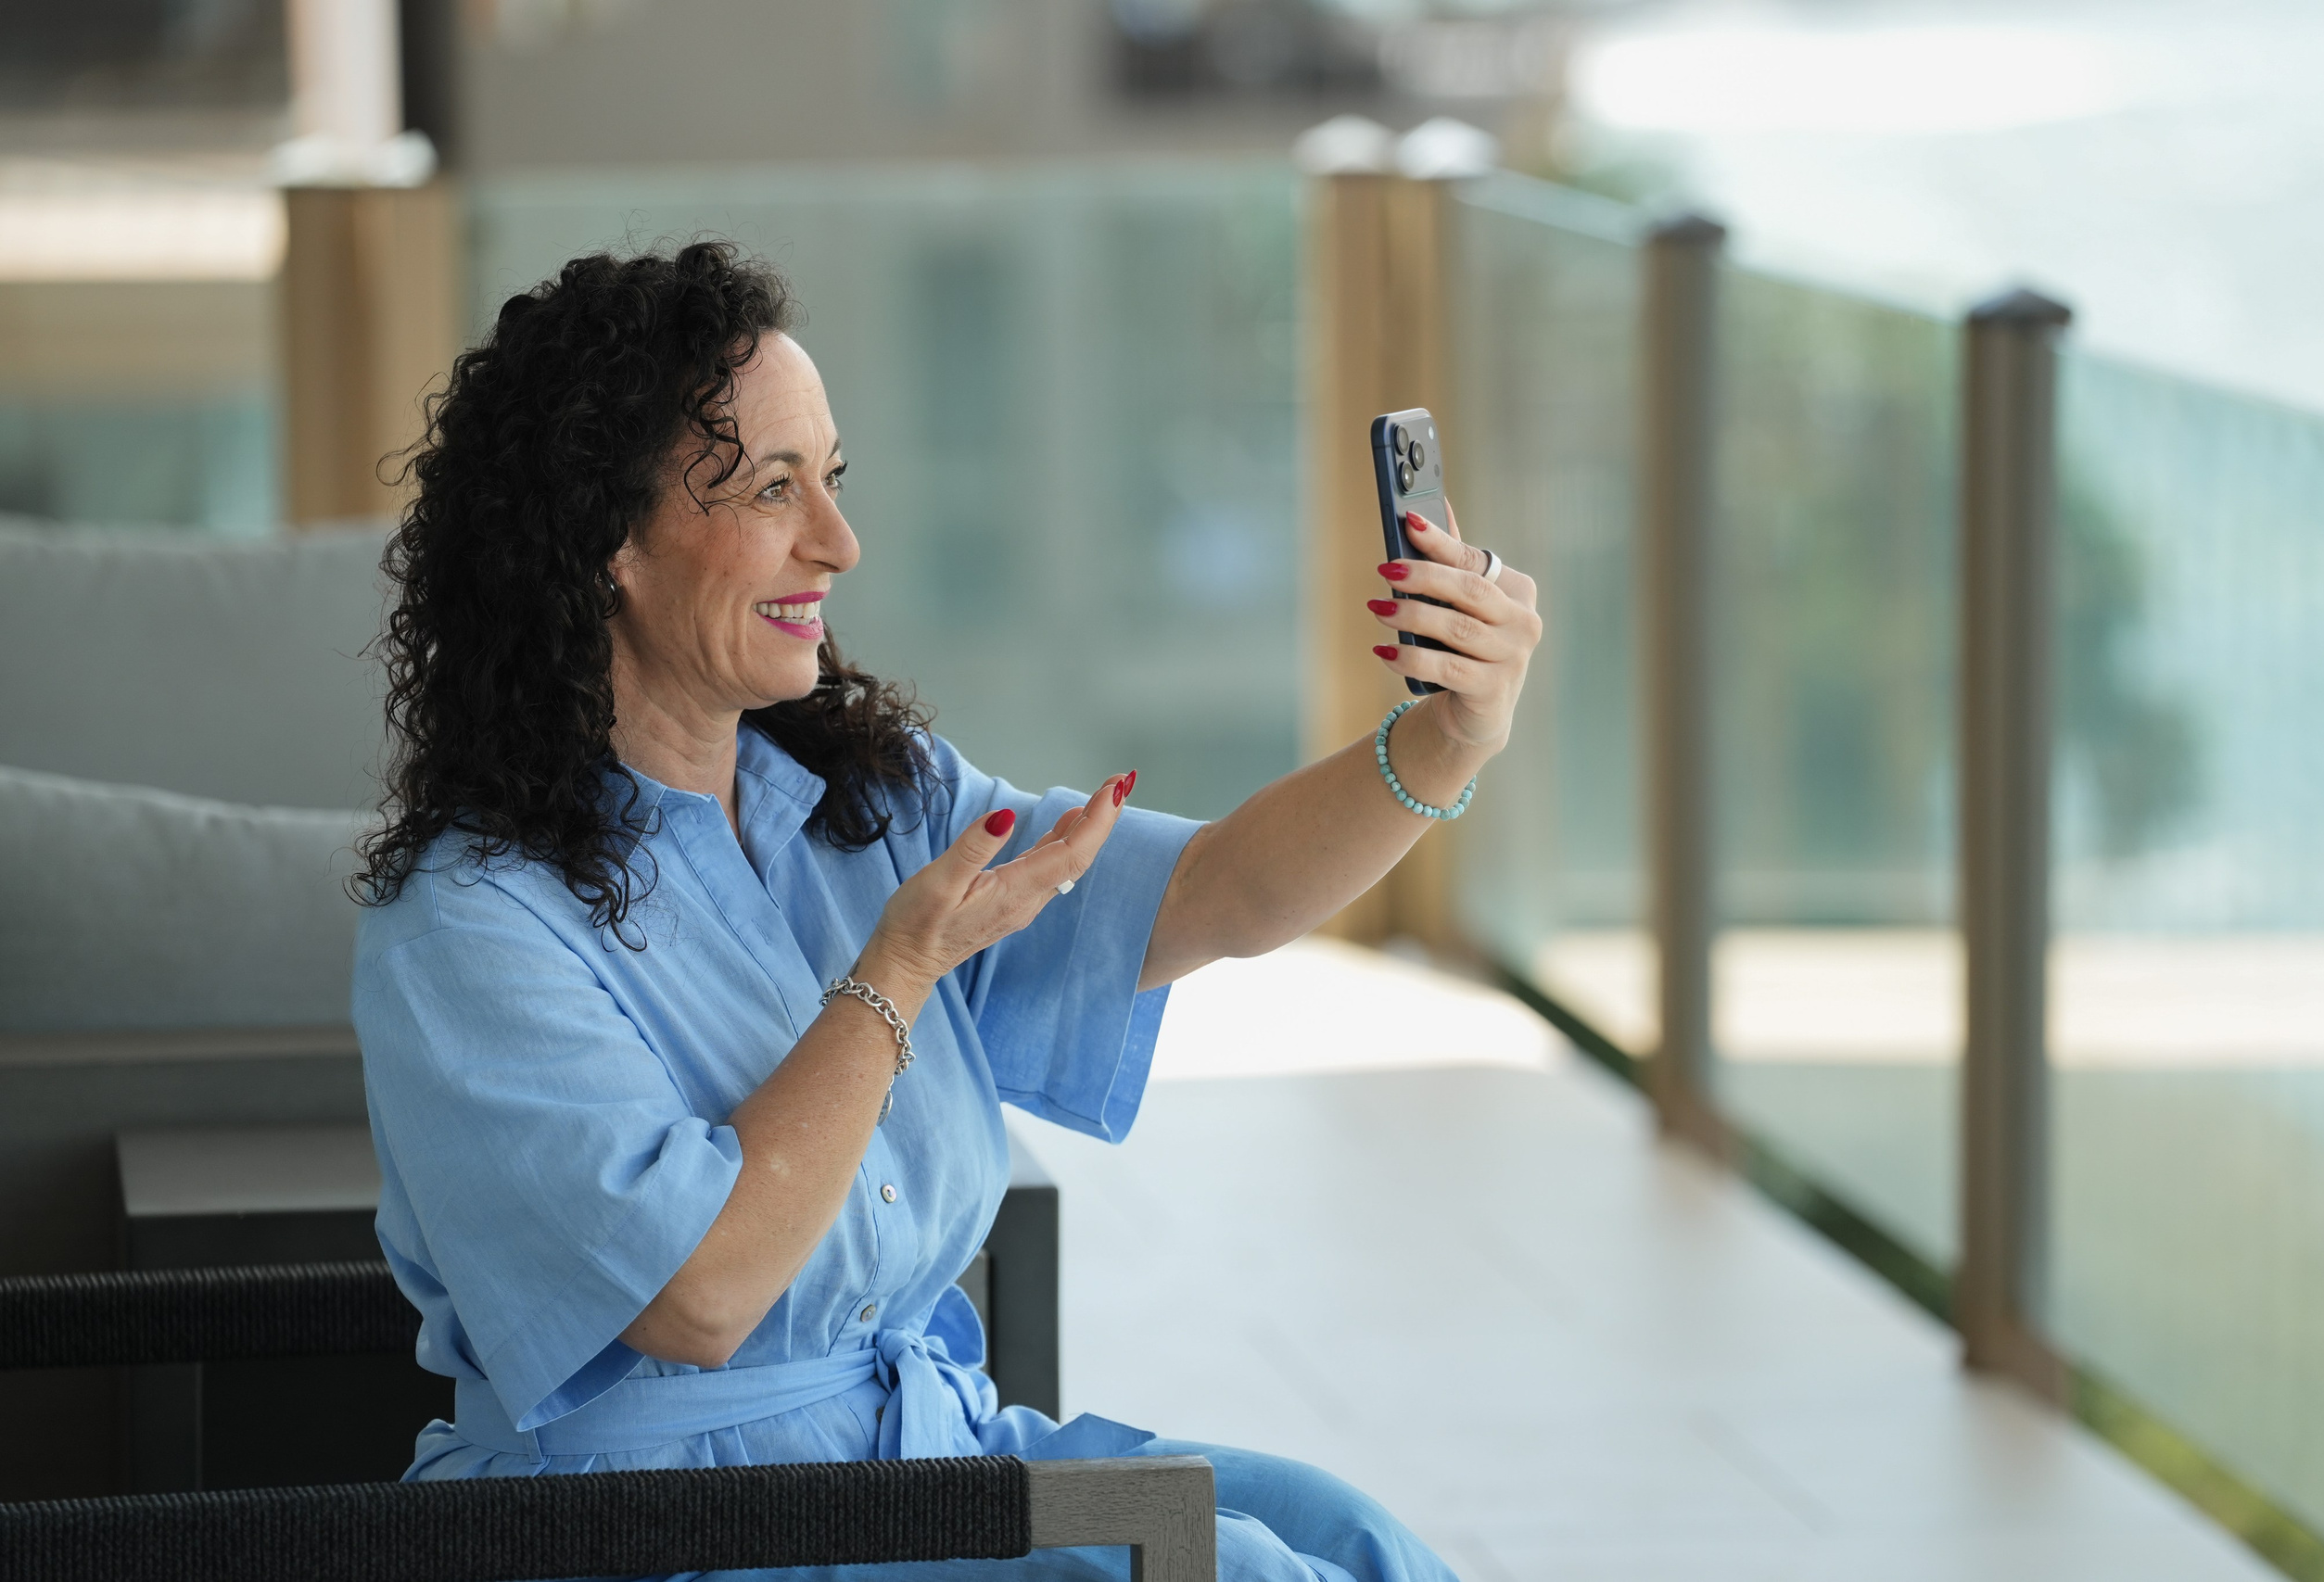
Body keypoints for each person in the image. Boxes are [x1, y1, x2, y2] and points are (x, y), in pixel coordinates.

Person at [350, 241, 1542, 1582]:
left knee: (1352, 1538)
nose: (838, 542)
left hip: (913, 1460)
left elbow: (1218, 892)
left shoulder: (865, 801)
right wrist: (899, 972)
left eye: (833, 480)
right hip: (659, 1531)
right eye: (774, 489)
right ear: (606, 540)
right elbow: (698, 1295)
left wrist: (1448, 740)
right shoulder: (468, 923)